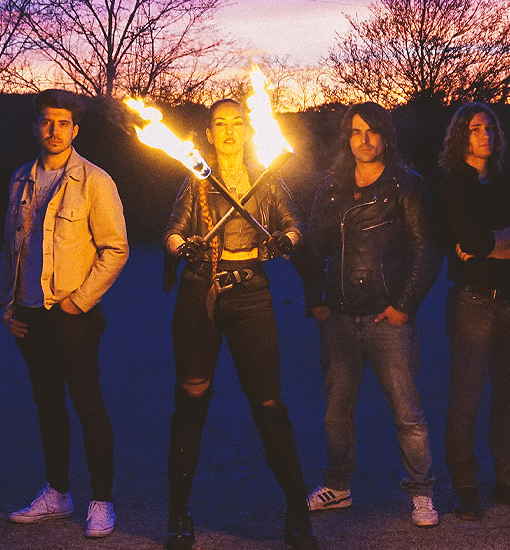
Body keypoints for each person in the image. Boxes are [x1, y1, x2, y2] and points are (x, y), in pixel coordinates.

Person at [162, 98, 317, 550]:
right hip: (199, 293)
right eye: (220, 124)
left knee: (269, 403)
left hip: (251, 294)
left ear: (247, 130)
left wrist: (285, 241)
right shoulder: (197, 177)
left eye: (236, 123)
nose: (229, 131)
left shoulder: (266, 178)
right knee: (191, 399)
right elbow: (172, 231)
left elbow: (294, 224)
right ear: (209, 134)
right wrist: (183, 247)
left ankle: (298, 514)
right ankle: (178, 515)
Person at [302, 102, 443, 526]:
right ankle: (338, 487)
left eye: (372, 131)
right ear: (347, 138)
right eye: (356, 132)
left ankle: (421, 493)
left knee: (407, 412)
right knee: (336, 411)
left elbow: (426, 250)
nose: (363, 140)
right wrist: (316, 300)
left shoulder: (406, 186)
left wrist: (403, 306)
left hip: (387, 319)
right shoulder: (331, 187)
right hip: (340, 318)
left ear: (385, 137)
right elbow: (314, 248)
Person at [1, 89, 129, 538]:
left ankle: (102, 500)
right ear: (36, 126)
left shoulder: (95, 180)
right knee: (47, 404)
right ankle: (57, 492)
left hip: (73, 313)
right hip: (29, 313)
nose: (53, 131)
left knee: (88, 404)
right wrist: (8, 304)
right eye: (45, 121)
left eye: (62, 123)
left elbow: (116, 248)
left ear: (75, 130)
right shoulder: (20, 179)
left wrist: (79, 300)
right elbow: (11, 246)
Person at [436, 102, 510, 520]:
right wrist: (506, 238)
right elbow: (472, 241)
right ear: (461, 137)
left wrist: (494, 242)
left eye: (489, 127)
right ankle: (465, 487)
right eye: (474, 128)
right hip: (473, 303)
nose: (484, 134)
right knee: (466, 400)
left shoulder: (508, 187)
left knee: (509, 397)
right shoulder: (453, 186)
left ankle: (509, 481)